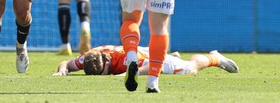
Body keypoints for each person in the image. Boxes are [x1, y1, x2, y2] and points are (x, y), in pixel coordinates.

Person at [53, 45, 239, 76]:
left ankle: (214, 57)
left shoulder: (124, 60)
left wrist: (131, 73)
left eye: (105, 72)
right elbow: (67, 63)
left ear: (108, 62)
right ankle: (171, 56)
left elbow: (152, 65)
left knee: (190, 69)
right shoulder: (89, 58)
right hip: (139, 50)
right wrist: (63, 70)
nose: (105, 75)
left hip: (146, 56)